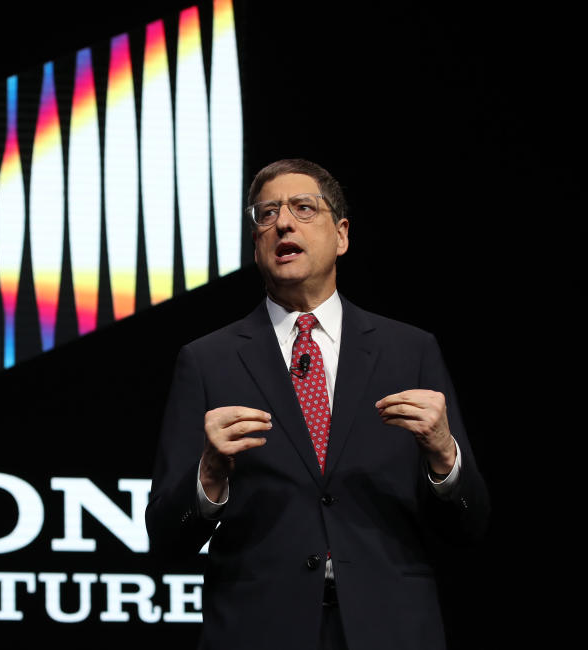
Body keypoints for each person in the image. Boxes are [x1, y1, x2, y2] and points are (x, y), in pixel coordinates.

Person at [146, 159, 489, 650]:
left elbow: (469, 526)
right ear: (257, 244)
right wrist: (208, 476)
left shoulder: (409, 351)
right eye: (266, 215)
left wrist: (443, 456)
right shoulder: (206, 361)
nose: (283, 222)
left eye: (303, 208)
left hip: (391, 628)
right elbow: (165, 539)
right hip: (258, 630)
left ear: (342, 234)